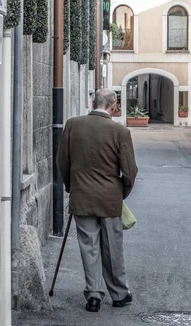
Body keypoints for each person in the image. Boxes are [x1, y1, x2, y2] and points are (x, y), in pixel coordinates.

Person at [56, 89, 138, 312]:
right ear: (114, 105)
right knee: (112, 247)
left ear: (93, 102)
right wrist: (122, 192)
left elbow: (62, 161)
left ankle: (93, 295)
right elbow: (130, 170)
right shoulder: (120, 131)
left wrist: (71, 186)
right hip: (110, 198)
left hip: (82, 196)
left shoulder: (73, 125)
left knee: (88, 246)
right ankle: (119, 294)